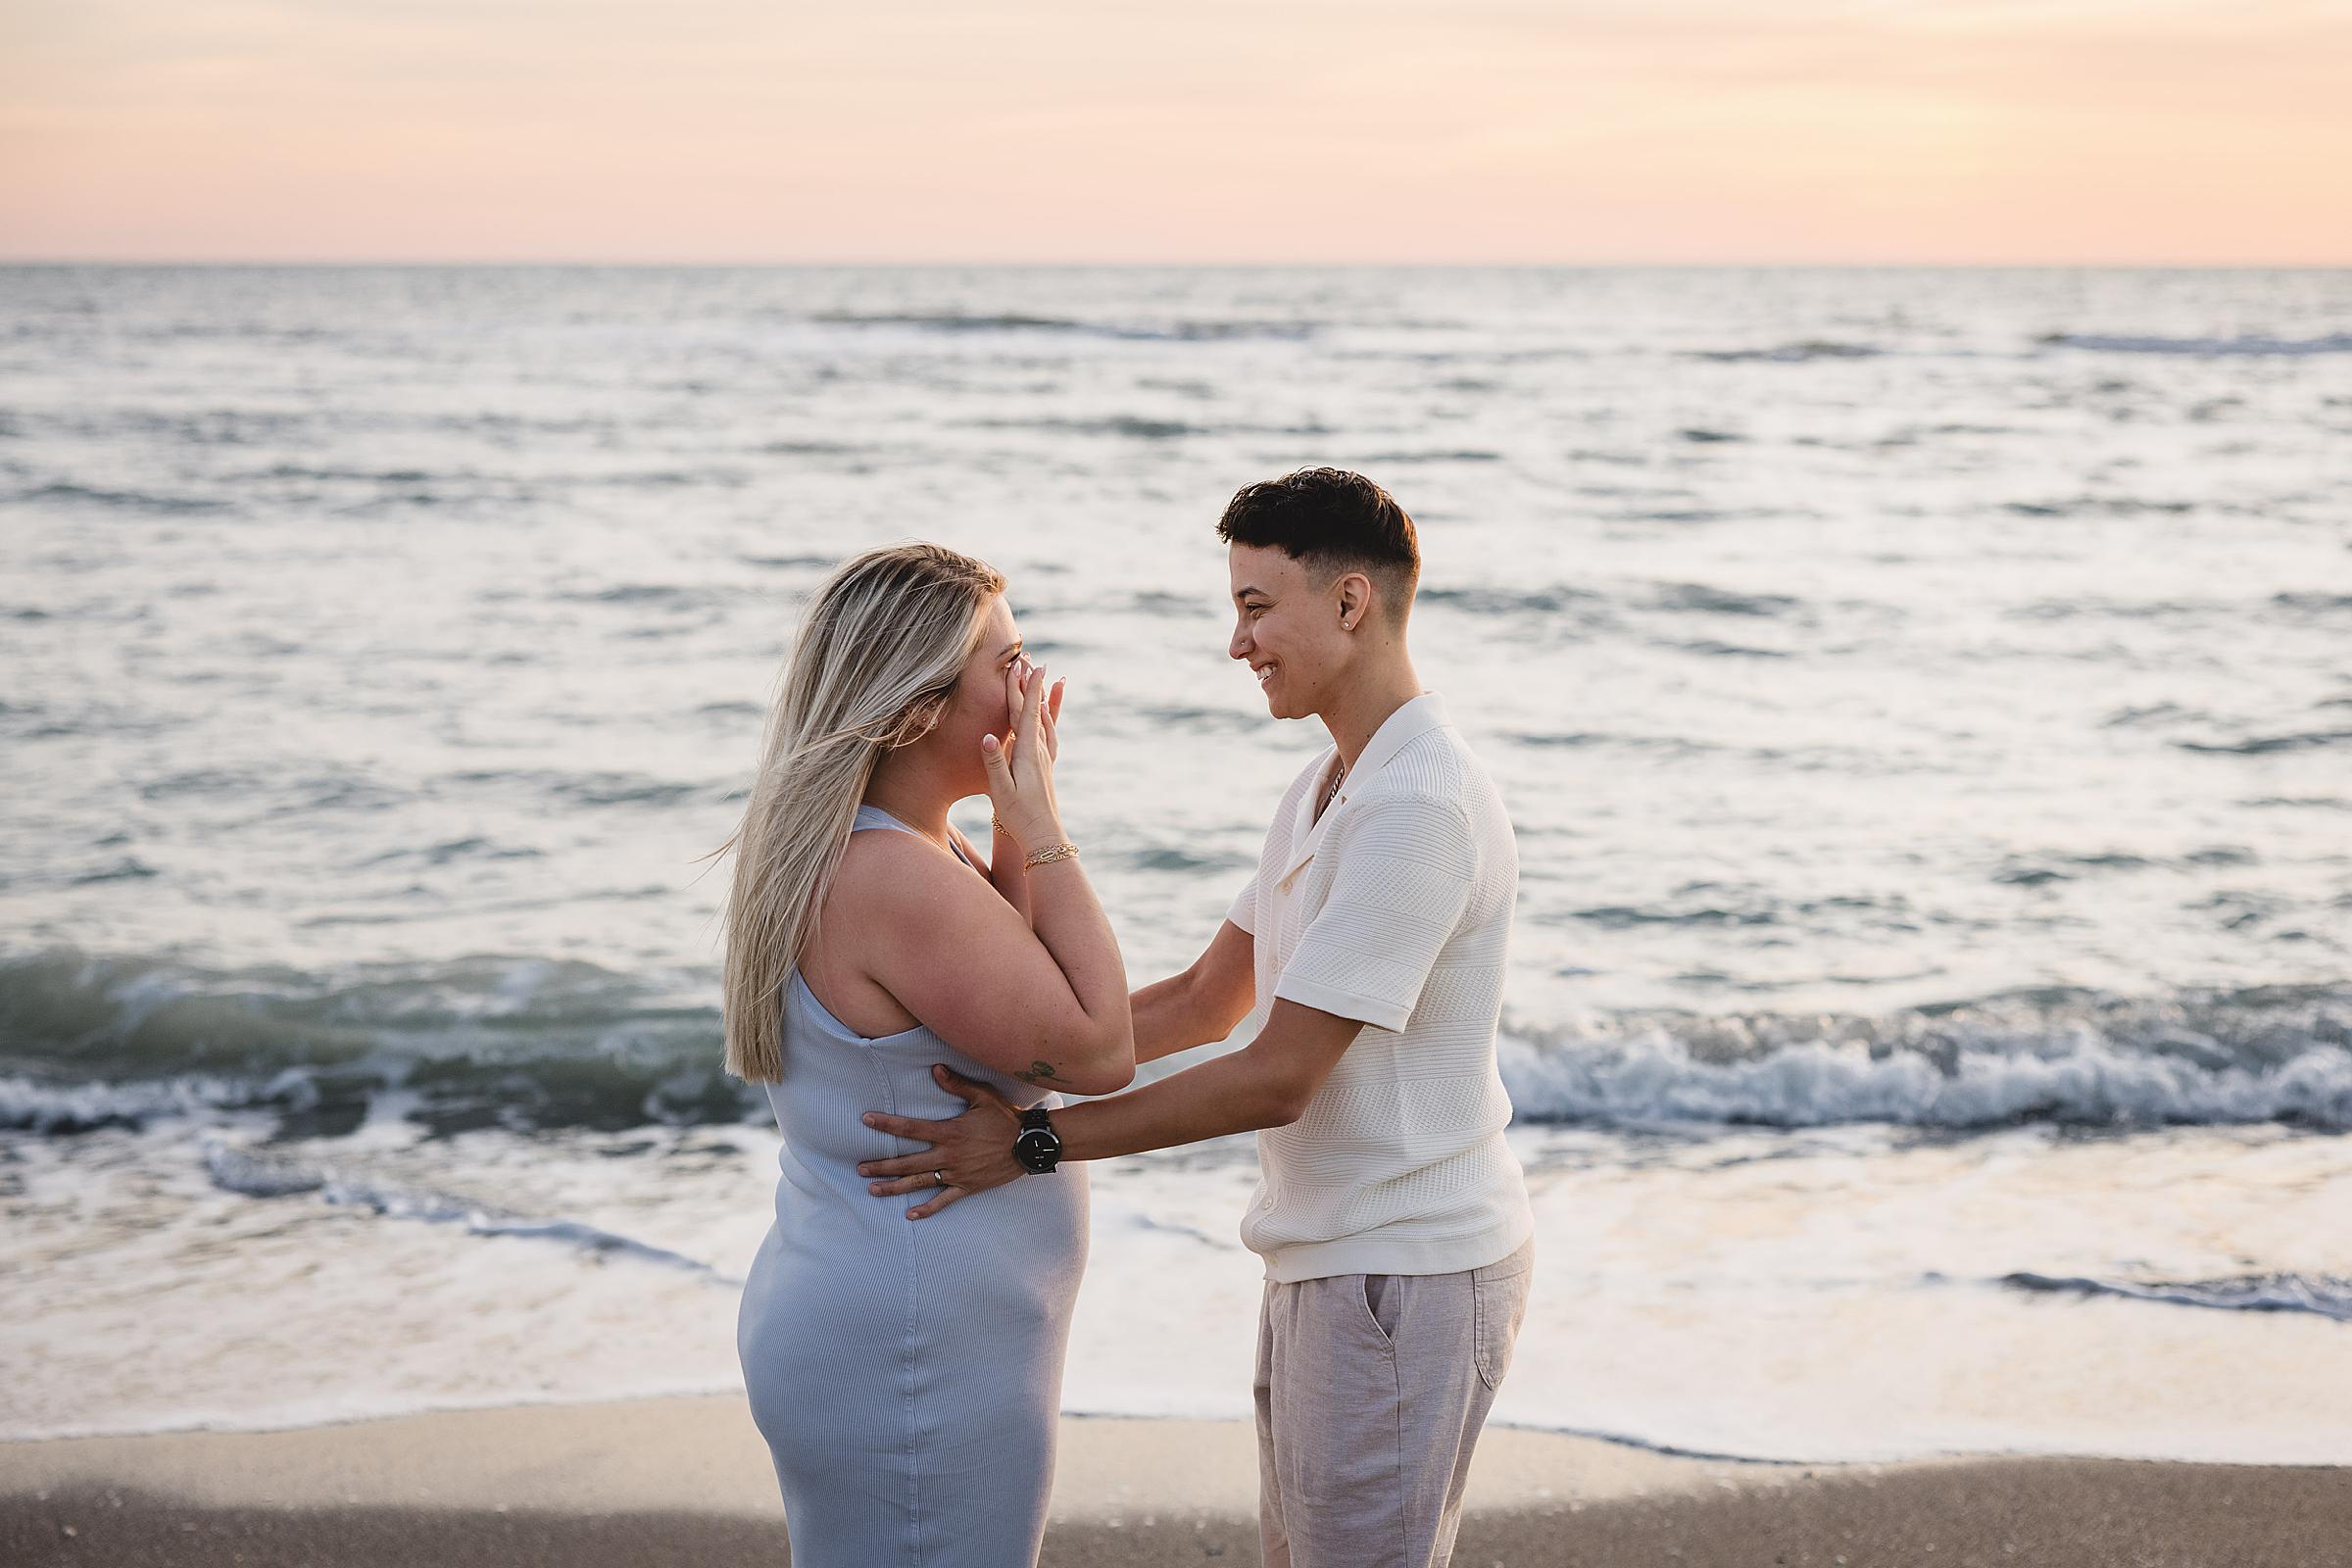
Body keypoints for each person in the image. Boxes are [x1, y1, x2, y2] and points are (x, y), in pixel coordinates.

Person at [858, 468, 1537, 1568]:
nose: (1238, 644)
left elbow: (1277, 1073)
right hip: (1330, 1259)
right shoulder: (1330, 785)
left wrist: (1029, 1141)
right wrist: (1017, 1050)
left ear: (1351, 602)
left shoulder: (1419, 805)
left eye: (1257, 608)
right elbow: (1202, 999)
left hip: (1401, 1271)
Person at [716, 542, 1134, 1566]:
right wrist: (1043, 826)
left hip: (899, 1326)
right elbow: (1096, 1047)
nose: (1029, 684)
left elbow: (1029, 1032)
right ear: (914, 711)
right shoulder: (887, 876)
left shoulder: (895, 848)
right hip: (913, 1356)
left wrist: (1006, 822)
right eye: (1007, 661)